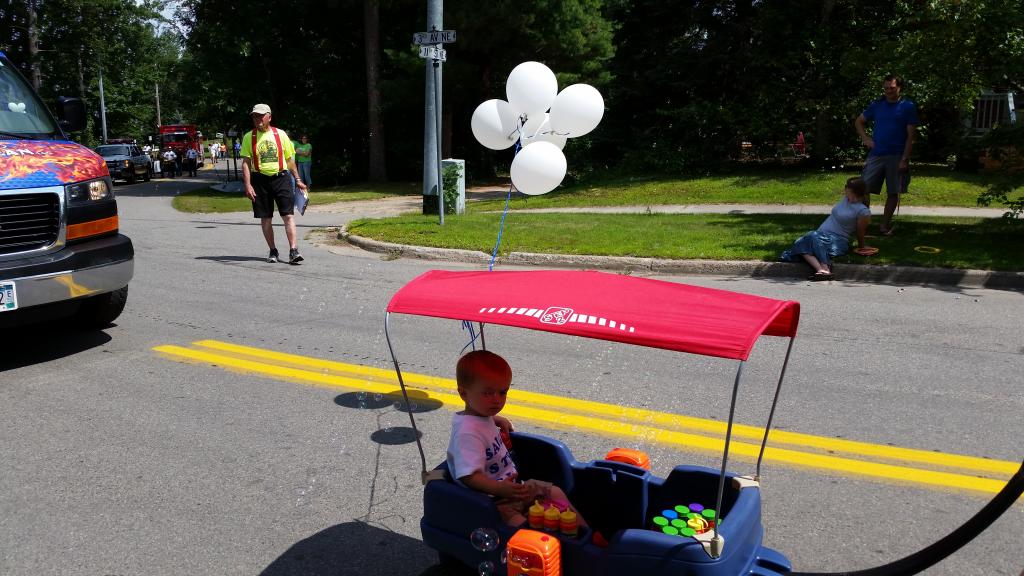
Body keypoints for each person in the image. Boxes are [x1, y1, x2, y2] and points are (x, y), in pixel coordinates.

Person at [448, 350, 587, 528]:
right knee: (523, 528)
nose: (497, 400)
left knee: (554, 492)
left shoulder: (481, 414)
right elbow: (469, 477)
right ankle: (562, 544)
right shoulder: (467, 434)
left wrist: (498, 420)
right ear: (464, 394)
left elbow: (480, 421)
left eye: (503, 392)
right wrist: (499, 489)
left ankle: (586, 534)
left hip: (514, 488)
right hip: (494, 501)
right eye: (488, 393)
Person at [241, 103, 308, 264]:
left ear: (269, 117)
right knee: (265, 218)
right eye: (255, 116)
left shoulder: (280, 134)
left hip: (281, 178)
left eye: (260, 115)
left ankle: (293, 251)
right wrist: (248, 185)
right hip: (260, 180)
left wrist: (298, 179)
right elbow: (246, 162)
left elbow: (289, 160)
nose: (257, 119)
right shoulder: (249, 137)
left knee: (288, 215)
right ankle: (273, 250)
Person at [854, 74, 919, 235]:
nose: (888, 91)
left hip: (897, 155)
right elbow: (859, 121)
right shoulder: (877, 105)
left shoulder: (908, 107)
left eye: (892, 88)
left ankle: (884, 226)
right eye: (886, 88)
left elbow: (911, 136)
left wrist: (905, 159)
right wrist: (866, 138)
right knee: (862, 189)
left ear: (899, 88)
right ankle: (864, 222)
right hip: (876, 154)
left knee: (893, 191)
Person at [779, 177, 871, 281]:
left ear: (854, 191)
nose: (844, 188)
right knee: (800, 241)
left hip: (838, 241)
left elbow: (860, 232)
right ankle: (821, 270)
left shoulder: (863, 211)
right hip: (821, 236)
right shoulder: (845, 200)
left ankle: (825, 266)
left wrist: (861, 246)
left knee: (809, 237)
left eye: (847, 187)